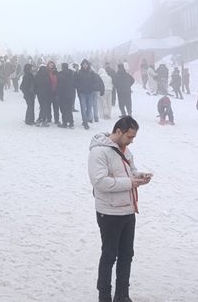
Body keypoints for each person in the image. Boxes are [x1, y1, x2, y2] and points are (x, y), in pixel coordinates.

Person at [88, 116, 151, 302]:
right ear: (118, 132)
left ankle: (122, 295)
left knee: (127, 254)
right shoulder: (99, 152)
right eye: (129, 137)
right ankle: (104, 296)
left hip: (128, 210)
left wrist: (139, 176)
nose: (132, 141)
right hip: (109, 212)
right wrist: (131, 182)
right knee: (109, 255)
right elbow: (99, 182)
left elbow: (130, 171)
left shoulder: (126, 150)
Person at [57, 63, 76, 128]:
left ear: (62, 67)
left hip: (62, 94)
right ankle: (71, 122)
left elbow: (59, 85)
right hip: (70, 94)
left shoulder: (60, 74)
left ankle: (64, 123)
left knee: (63, 109)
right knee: (69, 109)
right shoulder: (72, 74)